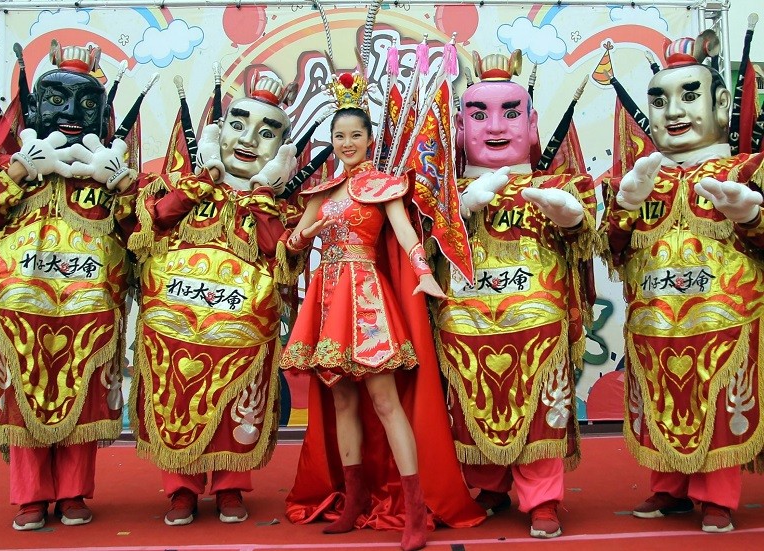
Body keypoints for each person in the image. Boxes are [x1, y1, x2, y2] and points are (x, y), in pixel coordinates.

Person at [280, 71, 484, 551]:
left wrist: (424, 273)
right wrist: (299, 235)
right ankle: (352, 501)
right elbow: (294, 242)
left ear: (370, 139)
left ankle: (414, 510)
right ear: (330, 141)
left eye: (355, 135)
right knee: (343, 402)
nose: (346, 142)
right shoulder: (322, 191)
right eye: (339, 136)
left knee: (386, 403)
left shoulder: (382, 186)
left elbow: (408, 235)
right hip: (328, 297)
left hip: (367, 298)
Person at [0, 43, 137, 530]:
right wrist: (19, 171)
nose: (70, 116)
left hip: (87, 315)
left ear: (104, 118)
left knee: (81, 395)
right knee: (21, 398)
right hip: (19, 313)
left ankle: (74, 493)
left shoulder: (104, 177)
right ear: (35, 109)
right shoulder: (9, 168)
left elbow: (143, 238)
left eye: (86, 106)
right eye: (56, 101)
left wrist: (123, 187)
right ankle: (31, 497)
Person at [600, 33, 764, 533]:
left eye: (689, 95)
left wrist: (752, 215)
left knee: (719, 402)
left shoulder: (746, 169)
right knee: (662, 400)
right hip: (654, 318)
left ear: (719, 101)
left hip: (725, 319)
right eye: (659, 99)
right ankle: (668, 490)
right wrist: (624, 209)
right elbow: (613, 251)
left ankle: (718, 496)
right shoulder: (643, 175)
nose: (673, 111)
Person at [432, 51, 596, 539]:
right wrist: (454, 212)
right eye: (479, 114)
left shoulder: (558, 185)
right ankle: (490, 485)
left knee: (543, 408)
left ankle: (541, 498)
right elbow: (419, 251)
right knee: (468, 404)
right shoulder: (440, 193)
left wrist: (571, 217)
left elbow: (585, 241)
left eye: (509, 112)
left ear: (531, 124)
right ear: (460, 127)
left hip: (537, 325)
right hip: (465, 323)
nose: (495, 126)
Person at [129, 74, 301, 526]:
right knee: (176, 400)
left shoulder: (278, 206)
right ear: (216, 131)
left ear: (282, 149)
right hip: (176, 327)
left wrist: (263, 192)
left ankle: (229, 488)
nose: (248, 141)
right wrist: (198, 183)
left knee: (237, 405)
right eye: (238, 126)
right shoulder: (183, 185)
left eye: (267, 134)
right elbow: (151, 227)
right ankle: (181, 490)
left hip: (241, 332)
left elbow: (278, 253)